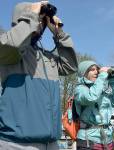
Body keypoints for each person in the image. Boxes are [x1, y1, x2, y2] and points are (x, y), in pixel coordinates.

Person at [0, 1, 78, 150]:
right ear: (22, 19)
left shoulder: (47, 58)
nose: (40, 23)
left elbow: (71, 66)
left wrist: (58, 33)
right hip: (16, 144)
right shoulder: (9, 52)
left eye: (42, 20)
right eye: (39, 19)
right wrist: (32, 15)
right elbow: (13, 44)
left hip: (51, 144)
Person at [74, 60, 114, 150]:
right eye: (92, 70)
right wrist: (102, 76)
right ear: (84, 73)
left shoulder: (103, 89)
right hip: (88, 140)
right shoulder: (80, 89)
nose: (96, 72)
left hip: (107, 139)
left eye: (97, 69)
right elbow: (91, 97)